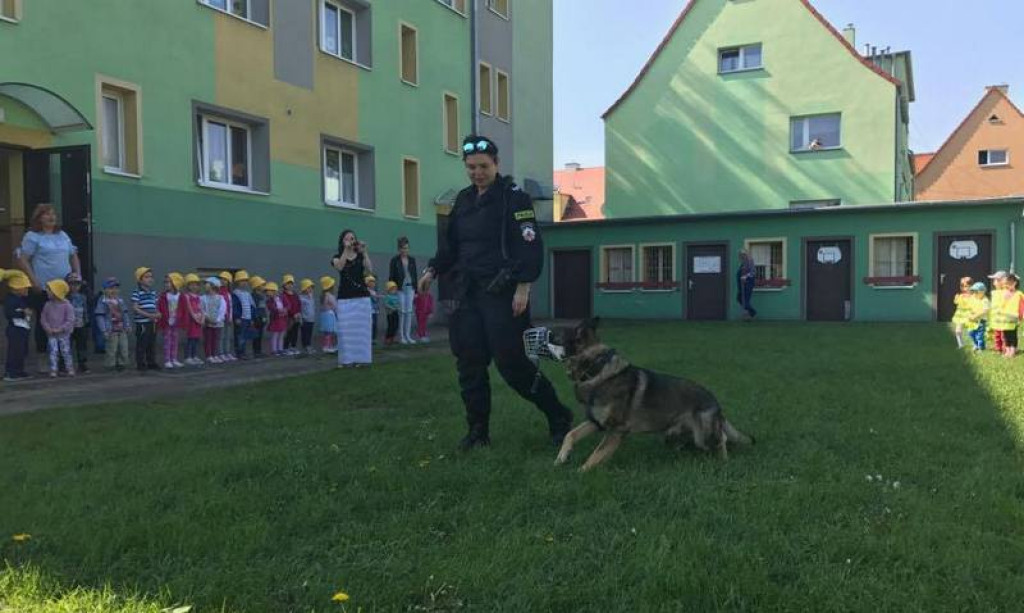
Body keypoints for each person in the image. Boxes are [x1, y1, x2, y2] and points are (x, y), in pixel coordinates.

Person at [418, 135, 573, 450]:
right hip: (467, 294)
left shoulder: (514, 197)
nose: (477, 172)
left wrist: (524, 286)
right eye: (471, 167)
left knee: (512, 365)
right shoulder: (462, 200)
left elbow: (529, 244)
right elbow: (450, 246)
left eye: (483, 166)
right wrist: (432, 270)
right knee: (469, 364)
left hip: (502, 293)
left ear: (496, 164)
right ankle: (478, 432)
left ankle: (558, 415)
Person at [17, 204, 82, 373]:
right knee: (44, 322)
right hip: (45, 287)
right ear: (39, 218)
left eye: (53, 213)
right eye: (46, 214)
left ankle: (64, 358)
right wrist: (34, 281)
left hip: (65, 286)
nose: (51, 217)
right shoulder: (32, 236)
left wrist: (77, 275)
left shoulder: (63, 236)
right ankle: (44, 358)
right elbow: (23, 259)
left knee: (67, 319)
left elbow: (73, 255)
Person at [331, 229, 374, 368]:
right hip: (345, 298)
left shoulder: (360, 256)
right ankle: (346, 360)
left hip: (361, 298)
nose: (350, 240)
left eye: (353, 238)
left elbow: (369, 270)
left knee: (362, 330)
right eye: (347, 238)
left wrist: (364, 251)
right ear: (342, 241)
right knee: (345, 331)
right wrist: (346, 250)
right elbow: (340, 266)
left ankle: (362, 359)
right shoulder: (337, 256)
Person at [95, 277, 133, 371]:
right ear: (104, 290)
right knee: (112, 349)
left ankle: (122, 363)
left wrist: (127, 325)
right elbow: (100, 317)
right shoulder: (103, 302)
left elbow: (125, 314)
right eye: (111, 288)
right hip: (110, 330)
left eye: (116, 288)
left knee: (124, 347)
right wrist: (104, 330)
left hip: (122, 328)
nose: (114, 291)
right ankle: (110, 365)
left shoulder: (120, 300)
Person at [41, 279, 76, 378]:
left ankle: (69, 368)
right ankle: (53, 369)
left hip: (64, 334)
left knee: (66, 351)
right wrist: (47, 328)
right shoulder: (47, 305)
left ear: (57, 291)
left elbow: (70, 320)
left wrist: (61, 329)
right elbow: (43, 318)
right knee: (53, 351)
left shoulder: (67, 305)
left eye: (50, 289)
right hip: (51, 333)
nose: (47, 291)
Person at [4, 273, 34, 381]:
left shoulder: (21, 299)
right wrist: (23, 313)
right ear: (16, 288)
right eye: (24, 287)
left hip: (23, 328)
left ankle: (19, 370)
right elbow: (9, 314)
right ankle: (11, 372)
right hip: (15, 329)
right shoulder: (10, 300)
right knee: (15, 351)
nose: (27, 289)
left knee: (22, 351)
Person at [131, 267, 161, 372]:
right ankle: (140, 363)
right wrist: (148, 315)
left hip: (152, 322)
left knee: (151, 343)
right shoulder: (137, 292)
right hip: (142, 323)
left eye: (151, 277)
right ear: (140, 280)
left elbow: (155, 305)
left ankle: (151, 362)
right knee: (142, 343)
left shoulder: (153, 292)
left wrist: (157, 313)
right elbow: (135, 308)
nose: (150, 279)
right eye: (147, 277)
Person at [389, 237, 418, 345]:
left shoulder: (412, 260)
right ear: (399, 249)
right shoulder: (394, 260)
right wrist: (392, 289)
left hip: (410, 288)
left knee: (409, 312)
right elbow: (391, 276)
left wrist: (416, 291)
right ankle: (401, 336)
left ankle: (408, 335)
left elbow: (414, 274)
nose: (404, 250)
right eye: (402, 248)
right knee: (402, 312)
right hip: (400, 288)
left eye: (406, 248)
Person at [158, 272, 185, 369]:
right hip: (167, 322)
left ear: (175, 283)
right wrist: (165, 318)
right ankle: (167, 360)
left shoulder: (180, 296)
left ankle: (174, 358)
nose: (166, 284)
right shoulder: (163, 296)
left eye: (168, 282)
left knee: (175, 340)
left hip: (176, 322)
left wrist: (179, 319)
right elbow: (160, 308)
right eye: (165, 282)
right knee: (167, 341)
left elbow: (182, 309)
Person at [66, 272, 90, 374]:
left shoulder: (83, 297)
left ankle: (82, 364)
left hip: (80, 324)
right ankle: (66, 364)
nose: (74, 287)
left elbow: (85, 309)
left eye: (77, 284)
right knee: (67, 345)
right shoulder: (65, 298)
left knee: (82, 346)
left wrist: (86, 320)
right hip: (68, 326)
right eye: (72, 284)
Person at [201, 277, 227, 364]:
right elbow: (202, 309)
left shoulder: (220, 298)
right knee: (208, 339)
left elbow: (222, 309)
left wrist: (218, 319)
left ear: (213, 286)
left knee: (215, 339)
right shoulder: (203, 298)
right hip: (208, 322)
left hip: (217, 323)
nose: (205, 285)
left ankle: (214, 354)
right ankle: (209, 355)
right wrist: (207, 318)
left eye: (207, 283)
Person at [181, 274, 205, 365]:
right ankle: (188, 357)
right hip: (191, 321)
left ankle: (194, 355)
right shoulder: (187, 296)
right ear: (187, 286)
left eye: (196, 284)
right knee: (190, 339)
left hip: (198, 320)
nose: (194, 286)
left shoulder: (198, 297)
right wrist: (195, 318)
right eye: (191, 284)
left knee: (196, 339)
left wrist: (202, 318)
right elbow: (189, 308)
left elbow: (201, 308)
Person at [232, 270, 254, 360]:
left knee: (245, 336)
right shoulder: (235, 293)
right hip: (241, 318)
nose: (244, 283)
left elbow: (252, 305)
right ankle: (239, 353)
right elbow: (235, 306)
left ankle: (243, 352)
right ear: (237, 282)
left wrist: (252, 317)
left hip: (247, 318)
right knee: (239, 336)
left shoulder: (247, 294)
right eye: (242, 281)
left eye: (245, 281)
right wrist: (236, 317)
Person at [265, 282, 288, 356]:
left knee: (281, 334)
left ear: (274, 291)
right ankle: (274, 350)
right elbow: (271, 308)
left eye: (270, 291)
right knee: (275, 334)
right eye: (267, 291)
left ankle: (280, 349)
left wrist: (285, 309)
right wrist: (278, 310)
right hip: (275, 319)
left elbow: (288, 304)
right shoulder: (269, 301)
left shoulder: (282, 297)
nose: (268, 293)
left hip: (282, 319)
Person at [217, 271, 236, 362]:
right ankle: (220, 353)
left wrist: (230, 317)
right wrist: (219, 317)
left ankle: (227, 352)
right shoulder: (218, 292)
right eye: (222, 279)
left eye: (225, 280)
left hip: (228, 318)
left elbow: (230, 306)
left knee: (227, 336)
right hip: (221, 318)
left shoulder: (228, 293)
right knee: (221, 336)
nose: (223, 281)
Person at [282, 274, 302, 356]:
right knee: (288, 333)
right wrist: (293, 314)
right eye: (288, 283)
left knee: (295, 333)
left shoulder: (295, 294)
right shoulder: (283, 295)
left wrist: (298, 313)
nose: (290, 285)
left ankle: (293, 347)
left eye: (291, 283)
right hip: (289, 318)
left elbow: (299, 304)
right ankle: (285, 348)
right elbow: (286, 306)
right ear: (284, 285)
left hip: (296, 317)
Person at [988, 271, 1008, 353]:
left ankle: (1005, 349)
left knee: (1004, 335)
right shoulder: (994, 292)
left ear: (1002, 281)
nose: (994, 283)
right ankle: (998, 348)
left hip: (1004, 318)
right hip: (996, 318)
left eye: (995, 280)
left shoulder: (1006, 292)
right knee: (997, 334)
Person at [966, 282, 990, 352]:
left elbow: (985, 311)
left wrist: (976, 316)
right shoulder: (973, 298)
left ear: (982, 292)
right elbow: (969, 307)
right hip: (972, 321)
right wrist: (969, 314)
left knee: (979, 335)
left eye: (976, 292)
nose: (974, 293)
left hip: (981, 321)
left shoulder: (985, 300)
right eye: (973, 291)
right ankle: (976, 344)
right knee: (971, 333)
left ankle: (981, 348)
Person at [951, 276, 973, 349]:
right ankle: (960, 344)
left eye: (966, 286)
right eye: (962, 286)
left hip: (969, 314)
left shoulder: (972, 296)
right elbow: (956, 302)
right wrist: (956, 298)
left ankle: (975, 343)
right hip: (960, 314)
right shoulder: (960, 295)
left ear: (971, 286)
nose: (964, 288)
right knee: (958, 330)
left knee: (970, 329)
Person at [736, 250, 757, 320]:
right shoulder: (743, 263)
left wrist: (746, 276)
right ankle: (749, 313)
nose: (741, 256)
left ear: (746, 254)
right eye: (740, 255)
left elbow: (753, 272)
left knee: (745, 300)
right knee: (739, 298)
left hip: (748, 283)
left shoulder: (750, 261)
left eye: (743, 254)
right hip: (741, 284)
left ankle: (751, 313)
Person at [319, 276, 338, 353]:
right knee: (329, 332)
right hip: (329, 315)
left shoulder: (323, 295)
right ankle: (327, 346)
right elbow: (335, 306)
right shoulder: (330, 296)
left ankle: (326, 346)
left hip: (324, 314)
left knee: (326, 332)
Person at [250, 275, 267, 358]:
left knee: (260, 335)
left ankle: (259, 351)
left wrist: (265, 317)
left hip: (261, 319)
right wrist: (254, 319)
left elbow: (263, 308)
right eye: (261, 285)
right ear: (256, 286)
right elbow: (253, 308)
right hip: (256, 319)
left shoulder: (262, 296)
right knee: (256, 336)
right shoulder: (253, 296)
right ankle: (256, 352)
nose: (263, 287)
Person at [299, 278, 317, 355]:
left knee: (309, 333)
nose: (310, 289)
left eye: (311, 288)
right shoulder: (301, 298)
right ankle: (305, 347)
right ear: (304, 289)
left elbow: (312, 307)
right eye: (309, 287)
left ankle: (309, 345)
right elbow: (300, 309)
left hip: (311, 319)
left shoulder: (311, 297)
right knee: (305, 333)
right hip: (305, 319)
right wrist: (301, 318)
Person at [384, 281, 401, 345]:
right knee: (391, 326)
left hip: (395, 313)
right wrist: (391, 308)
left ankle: (393, 338)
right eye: (392, 289)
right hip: (390, 313)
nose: (394, 291)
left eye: (395, 289)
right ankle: (387, 338)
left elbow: (397, 303)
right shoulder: (388, 297)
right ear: (389, 290)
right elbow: (386, 304)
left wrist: (398, 307)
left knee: (396, 326)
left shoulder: (396, 296)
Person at [366, 275, 379, 344]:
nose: (373, 284)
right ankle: (369, 338)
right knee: (370, 324)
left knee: (374, 324)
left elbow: (376, 300)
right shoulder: (367, 291)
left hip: (375, 310)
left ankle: (374, 338)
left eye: (373, 282)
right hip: (369, 310)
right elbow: (374, 299)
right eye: (371, 282)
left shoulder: (374, 291)